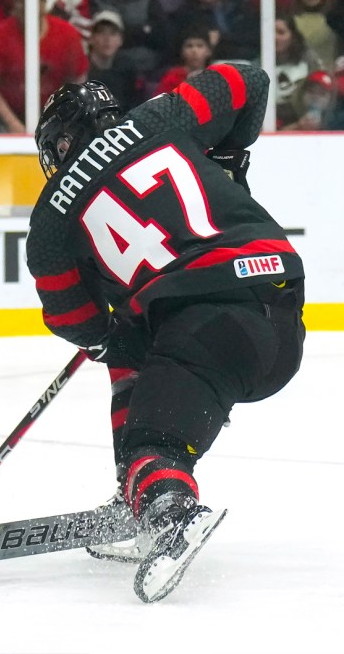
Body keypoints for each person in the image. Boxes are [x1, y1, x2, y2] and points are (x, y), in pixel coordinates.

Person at [28, 68, 305, 603]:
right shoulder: (160, 118)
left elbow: (69, 316)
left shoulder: (50, 219)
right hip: (278, 305)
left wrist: (105, 336)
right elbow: (248, 79)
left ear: (63, 141)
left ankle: (168, 507)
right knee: (138, 333)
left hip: (210, 324)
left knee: (152, 436)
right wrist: (228, 156)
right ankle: (136, 494)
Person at [0, 0, 88, 133]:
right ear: (13, 4)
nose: (26, 6)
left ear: (43, 3)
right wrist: (12, 124)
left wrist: (61, 119)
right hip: (7, 114)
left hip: (56, 112)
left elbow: (77, 81)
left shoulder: (67, 34)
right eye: (20, 1)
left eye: (32, 0)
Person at [86, 11, 141, 111]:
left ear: (121, 40)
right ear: (91, 38)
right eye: (101, 32)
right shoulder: (81, 68)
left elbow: (133, 102)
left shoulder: (127, 68)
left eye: (113, 33)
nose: (107, 39)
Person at [154, 27, 212, 96]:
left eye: (200, 46)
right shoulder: (173, 76)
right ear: (182, 51)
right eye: (189, 46)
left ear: (208, 51)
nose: (194, 51)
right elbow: (159, 102)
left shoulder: (215, 75)